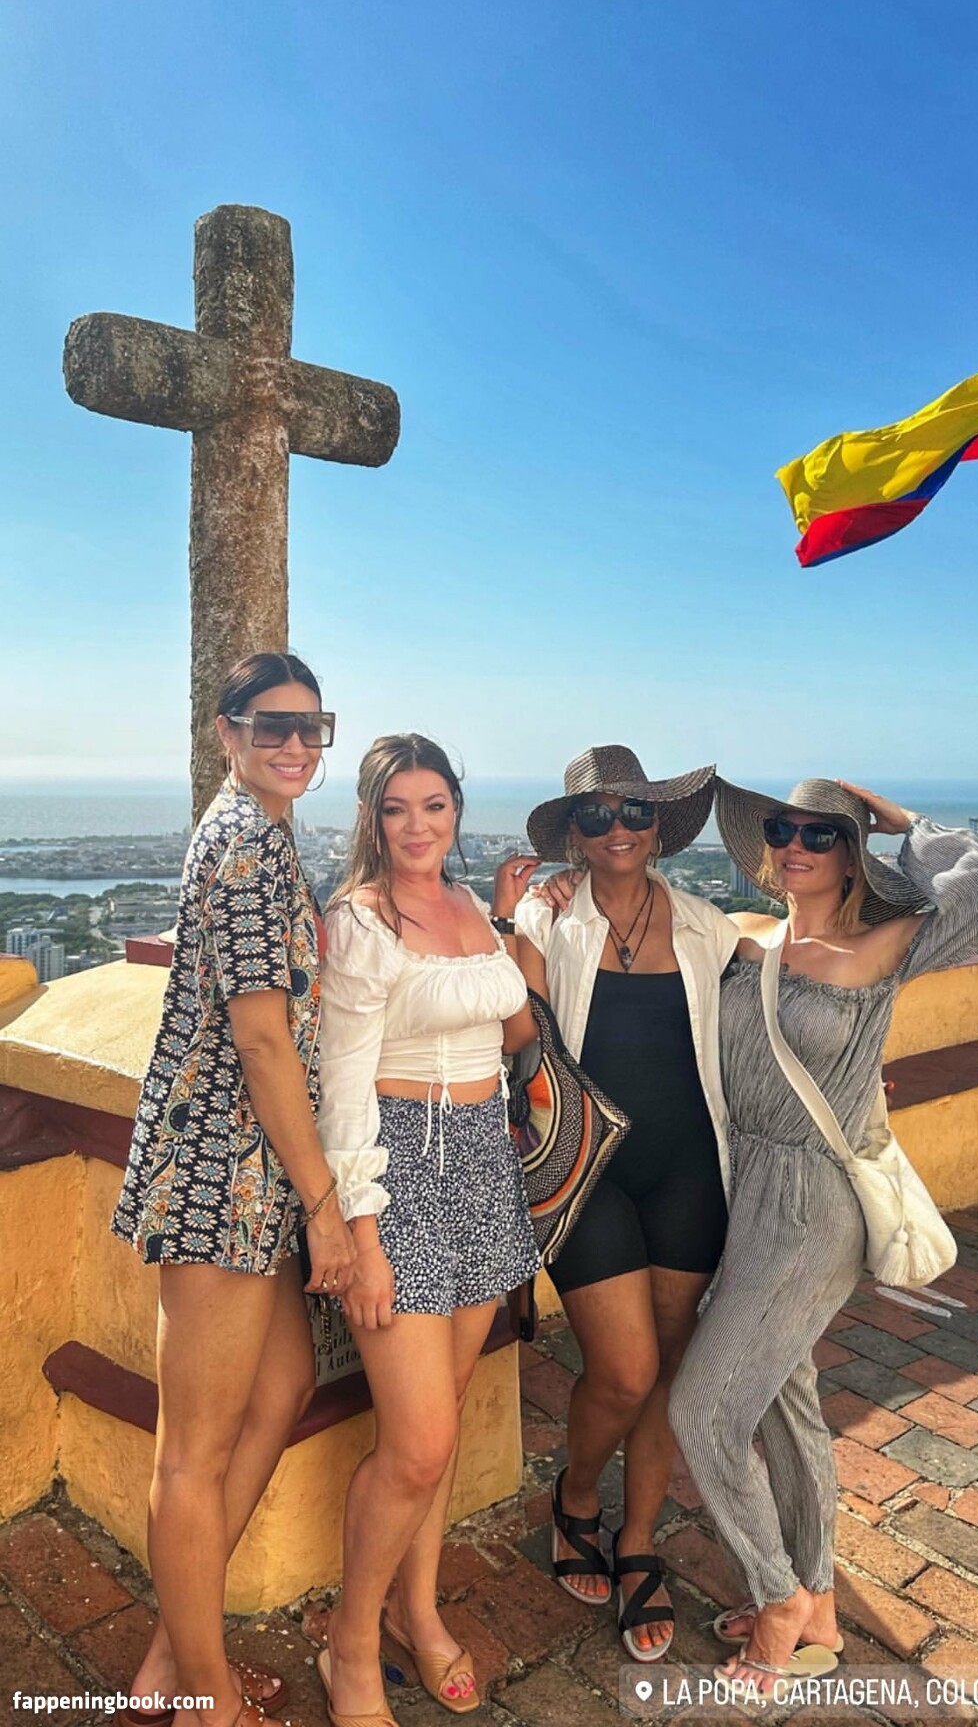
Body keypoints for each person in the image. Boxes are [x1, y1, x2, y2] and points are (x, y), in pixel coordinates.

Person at [668, 778, 978, 1696]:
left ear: (853, 853)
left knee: (703, 1411)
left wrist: (900, 818)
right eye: (782, 829)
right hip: (738, 1188)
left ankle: (777, 1599)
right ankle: (819, 1600)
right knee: (786, 1403)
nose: (796, 845)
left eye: (821, 834)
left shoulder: (886, 944)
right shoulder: (749, 936)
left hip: (810, 1206)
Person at [112, 652, 354, 1727]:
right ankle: (207, 1702)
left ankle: (176, 1657)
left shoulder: (260, 828)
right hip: (223, 1171)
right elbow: (261, 1040)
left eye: (311, 728)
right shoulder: (248, 844)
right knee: (194, 1457)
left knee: (281, 1385)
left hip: (248, 1172)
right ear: (228, 733)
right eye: (272, 727)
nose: (295, 745)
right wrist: (324, 1206)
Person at [315, 734, 542, 1725]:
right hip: (398, 1169)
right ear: (371, 816)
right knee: (417, 1444)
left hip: (483, 1163)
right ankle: (350, 1643)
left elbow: (511, 1025)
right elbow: (342, 1093)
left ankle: (416, 1607)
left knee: (440, 1422)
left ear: (456, 810)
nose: (417, 825)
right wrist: (361, 1239)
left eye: (434, 804)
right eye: (397, 807)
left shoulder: (473, 910)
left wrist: (515, 918)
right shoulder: (360, 921)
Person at [513, 745, 739, 1663]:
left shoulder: (707, 925)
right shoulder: (545, 917)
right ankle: (576, 1494)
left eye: (635, 812)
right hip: (586, 1170)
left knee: (668, 1368)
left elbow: (783, 1006)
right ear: (575, 833)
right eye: (597, 815)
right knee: (623, 1370)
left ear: (660, 828)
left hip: (690, 1168)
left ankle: (638, 1539)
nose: (618, 829)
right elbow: (517, 1033)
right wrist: (511, 916)